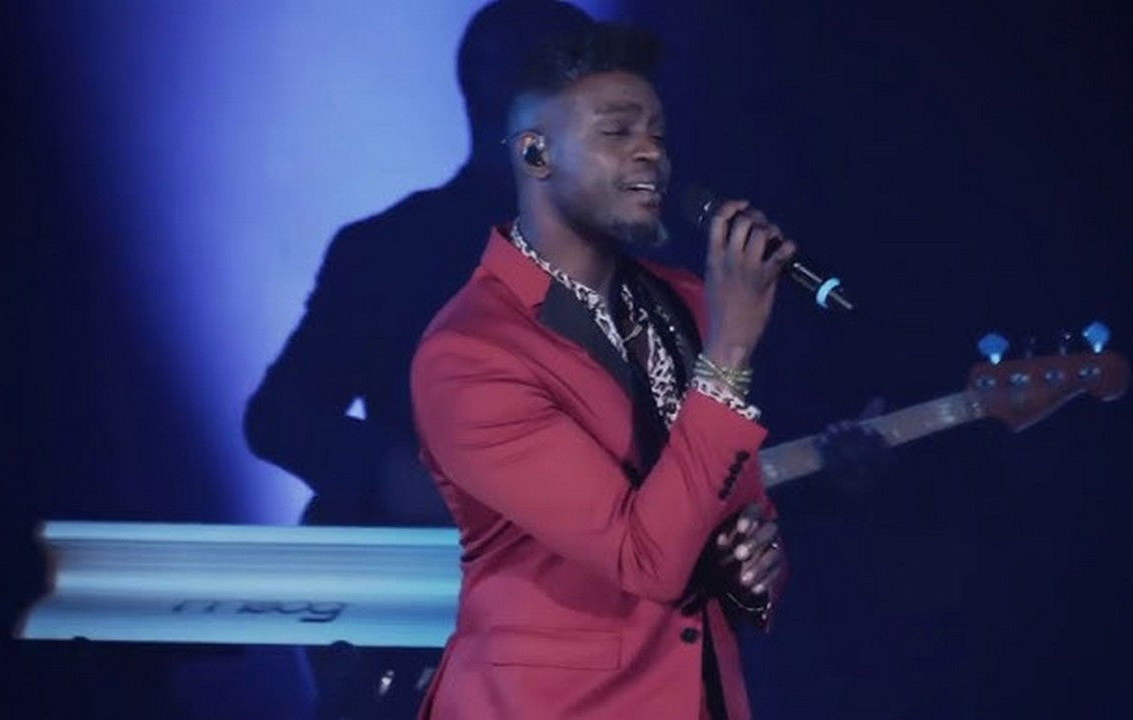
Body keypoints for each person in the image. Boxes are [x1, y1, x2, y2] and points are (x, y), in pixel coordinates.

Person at [410, 23, 792, 719]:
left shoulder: (688, 301)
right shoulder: (470, 353)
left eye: (658, 133)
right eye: (617, 132)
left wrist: (754, 569)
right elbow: (644, 559)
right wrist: (732, 349)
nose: (652, 152)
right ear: (535, 153)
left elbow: (734, 505)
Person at [242, 3, 594, 717]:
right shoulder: (390, 251)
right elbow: (279, 416)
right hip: (424, 649)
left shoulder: (644, 268)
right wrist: (392, 472)